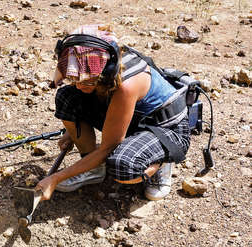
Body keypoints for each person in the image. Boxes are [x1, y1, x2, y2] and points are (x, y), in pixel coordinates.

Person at [36, 24, 190, 201]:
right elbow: (85, 97)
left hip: (164, 128)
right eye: (74, 79)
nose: (78, 86)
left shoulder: (126, 85)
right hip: (132, 116)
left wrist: (55, 178)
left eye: (86, 81)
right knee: (67, 97)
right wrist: (73, 132)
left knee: (122, 167)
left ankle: (162, 162)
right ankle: (93, 169)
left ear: (105, 71)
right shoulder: (97, 67)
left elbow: (107, 147)